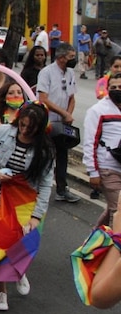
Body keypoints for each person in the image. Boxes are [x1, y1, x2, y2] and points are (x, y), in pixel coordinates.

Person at [0, 102, 54, 311]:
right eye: (22, 125)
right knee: (2, 240)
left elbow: (47, 184)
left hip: (26, 198)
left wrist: (37, 216)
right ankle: (1, 292)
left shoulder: (46, 149)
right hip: (0, 191)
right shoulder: (4, 132)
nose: (24, 130)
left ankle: (19, 270)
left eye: (30, 128)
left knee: (21, 240)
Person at [37, 43, 79, 203]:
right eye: (71, 57)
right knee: (44, 156)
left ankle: (62, 189)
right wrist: (64, 113)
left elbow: (72, 97)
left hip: (63, 124)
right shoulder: (46, 73)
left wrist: (68, 115)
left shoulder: (70, 73)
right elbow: (43, 99)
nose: (73, 60)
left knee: (62, 155)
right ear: (61, 58)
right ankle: (37, 188)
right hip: (47, 122)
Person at [83, 73, 121, 228]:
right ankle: (113, 250)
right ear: (107, 88)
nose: (117, 90)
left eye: (120, 87)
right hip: (108, 169)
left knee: (113, 209)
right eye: (113, 87)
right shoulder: (97, 111)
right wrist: (93, 172)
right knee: (117, 212)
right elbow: (90, 142)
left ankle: (91, 244)